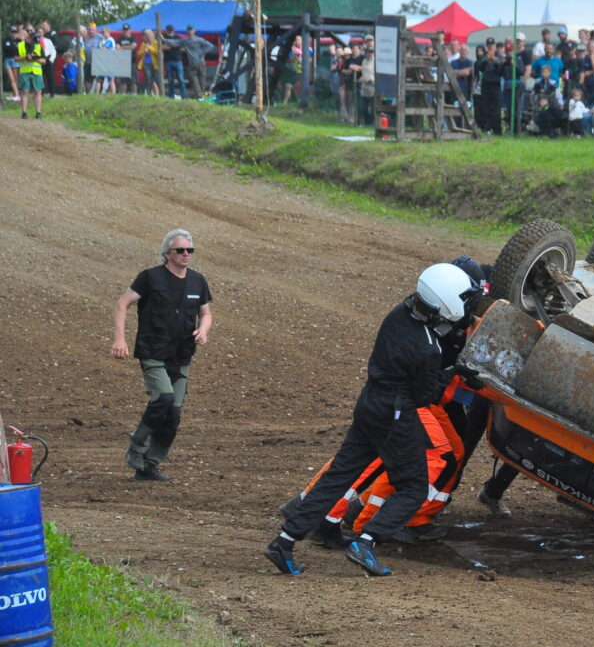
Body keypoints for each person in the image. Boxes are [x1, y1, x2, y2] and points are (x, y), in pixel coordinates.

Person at [264, 263, 482, 576]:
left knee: (339, 476)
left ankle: (283, 542)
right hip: (396, 416)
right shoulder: (429, 348)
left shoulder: (398, 314)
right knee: (413, 488)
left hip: (369, 404)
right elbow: (424, 396)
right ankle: (366, 541)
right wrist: (452, 373)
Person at [111, 229, 213, 482]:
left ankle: (148, 465)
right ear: (167, 253)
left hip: (181, 355)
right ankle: (136, 445)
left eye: (190, 250)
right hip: (153, 351)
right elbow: (122, 304)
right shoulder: (150, 278)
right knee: (164, 399)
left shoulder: (197, 281)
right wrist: (119, 339)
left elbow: (206, 313)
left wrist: (203, 329)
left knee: (173, 415)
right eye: (181, 250)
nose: (186, 254)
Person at [15, 31, 46, 119]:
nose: (35, 42)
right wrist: (25, 57)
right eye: (33, 40)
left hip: (37, 71)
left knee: (38, 92)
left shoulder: (38, 45)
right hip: (25, 71)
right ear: (28, 38)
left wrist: (35, 59)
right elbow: (16, 58)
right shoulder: (20, 45)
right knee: (24, 91)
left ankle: (38, 112)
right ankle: (24, 112)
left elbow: (44, 61)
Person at [180, 26, 216, 99]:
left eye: (191, 30)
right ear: (187, 31)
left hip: (200, 62)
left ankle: (201, 95)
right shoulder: (186, 40)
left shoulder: (199, 40)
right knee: (196, 79)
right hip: (194, 62)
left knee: (201, 79)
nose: (190, 31)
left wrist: (202, 52)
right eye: (189, 30)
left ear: (194, 30)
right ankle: (200, 95)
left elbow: (210, 46)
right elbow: (175, 42)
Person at [163, 25, 186, 99]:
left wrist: (170, 46)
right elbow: (162, 47)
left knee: (181, 79)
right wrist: (175, 46)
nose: (170, 31)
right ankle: (171, 95)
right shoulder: (163, 37)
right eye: (169, 30)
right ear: (166, 30)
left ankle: (184, 95)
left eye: (171, 30)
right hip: (168, 60)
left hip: (178, 60)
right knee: (170, 79)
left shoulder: (178, 37)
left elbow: (183, 47)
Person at [137, 29, 160, 96]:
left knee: (155, 79)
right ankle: (150, 94)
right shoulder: (144, 44)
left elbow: (157, 53)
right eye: (146, 35)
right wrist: (144, 50)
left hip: (155, 64)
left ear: (152, 35)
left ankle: (157, 94)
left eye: (149, 35)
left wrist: (149, 48)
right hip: (146, 64)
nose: (148, 37)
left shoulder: (156, 43)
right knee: (149, 79)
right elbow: (139, 53)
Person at [116, 24, 137, 94]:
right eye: (124, 30)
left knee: (133, 81)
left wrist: (122, 47)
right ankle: (123, 95)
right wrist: (128, 47)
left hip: (132, 62)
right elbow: (117, 48)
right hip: (122, 62)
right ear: (122, 31)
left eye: (127, 30)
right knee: (123, 81)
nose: (126, 31)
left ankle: (134, 95)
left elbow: (133, 46)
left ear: (130, 30)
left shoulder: (133, 38)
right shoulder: (119, 39)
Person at [3, 25, 22, 102]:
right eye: (12, 32)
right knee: (11, 78)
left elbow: (18, 51)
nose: (13, 33)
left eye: (15, 32)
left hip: (15, 59)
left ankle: (15, 94)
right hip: (8, 59)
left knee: (15, 78)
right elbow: (6, 49)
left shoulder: (19, 41)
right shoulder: (5, 40)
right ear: (10, 32)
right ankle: (16, 94)